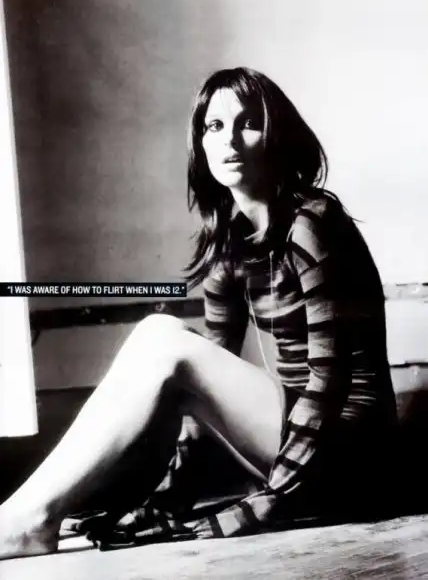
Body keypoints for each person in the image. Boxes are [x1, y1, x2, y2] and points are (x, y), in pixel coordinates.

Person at [0, 67, 398, 559]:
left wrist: (262, 506)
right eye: (214, 125)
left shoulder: (312, 223)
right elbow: (199, 396)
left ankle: (30, 519)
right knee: (163, 336)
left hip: (356, 459)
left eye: (248, 123)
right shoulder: (231, 241)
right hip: (298, 450)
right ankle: (32, 514)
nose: (229, 140)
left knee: (162, 338)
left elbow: (328, 386)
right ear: (200, 142)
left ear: (276, 135)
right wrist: (169, 502)